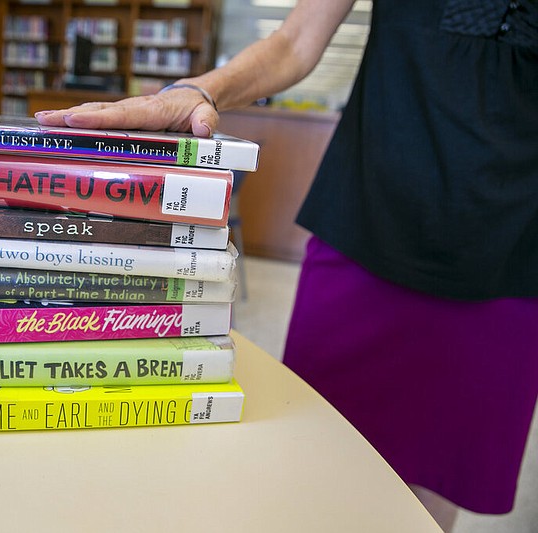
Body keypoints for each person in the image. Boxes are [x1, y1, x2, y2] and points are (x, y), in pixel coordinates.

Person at [36, 0, 538, 530]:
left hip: (508, 247)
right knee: (305, 448)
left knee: (429, 487)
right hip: (367, 214)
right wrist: (199, 91)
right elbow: (295, 41)